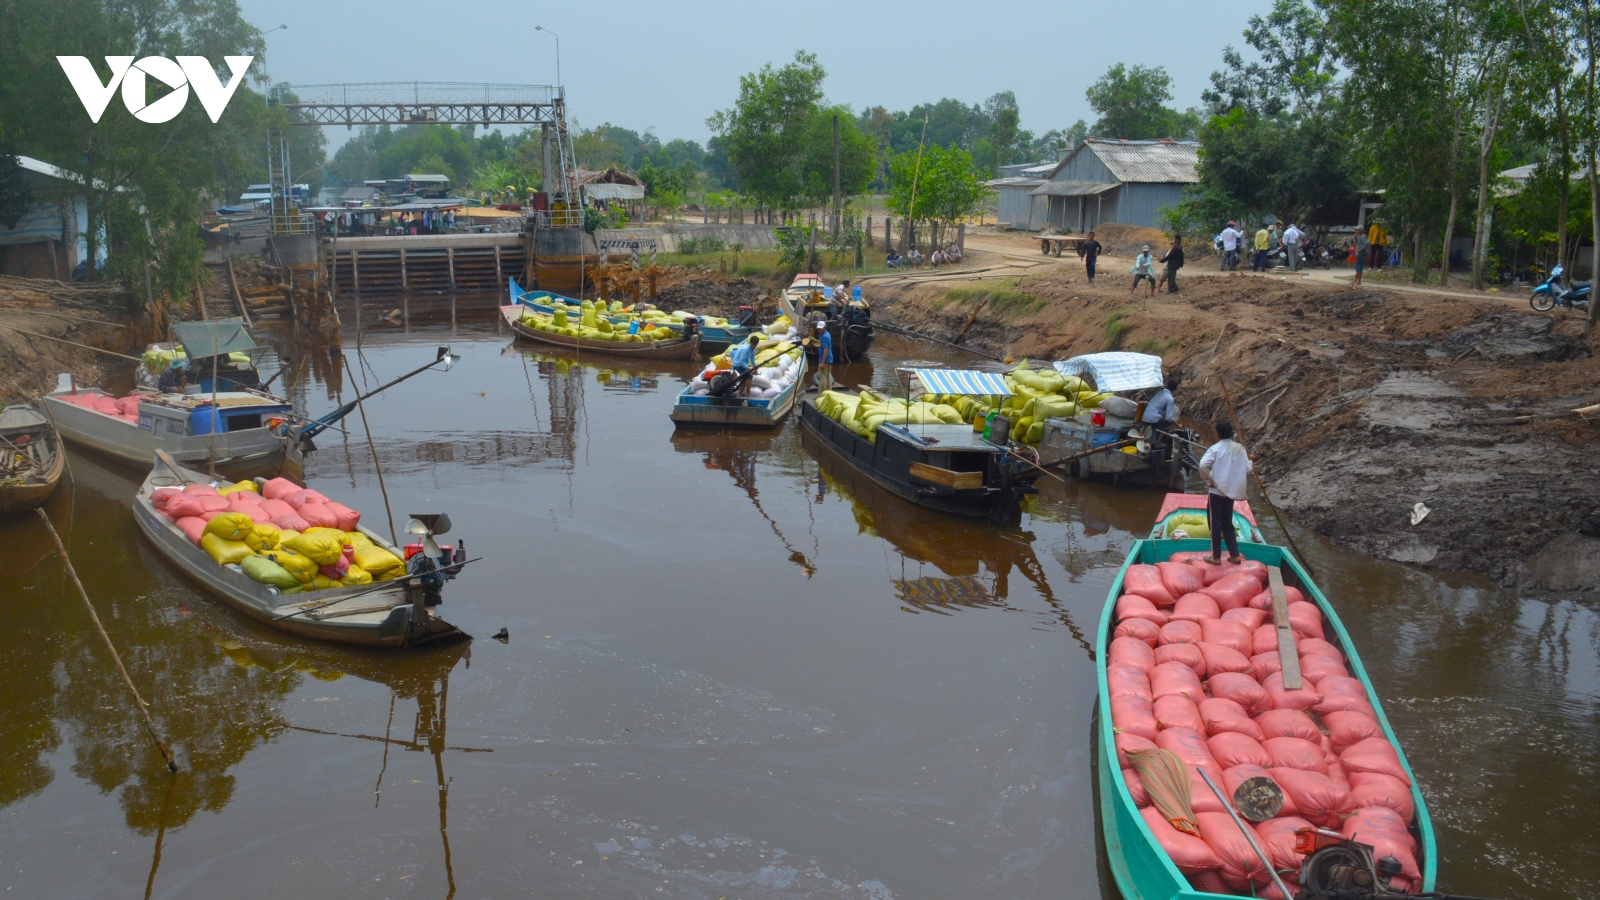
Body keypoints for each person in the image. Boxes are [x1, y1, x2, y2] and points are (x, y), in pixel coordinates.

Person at [1198, 419, 1253, 565]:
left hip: (1216, 492)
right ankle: (1235, 555)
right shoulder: (1240, 449)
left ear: (1217, 434)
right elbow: (1247, 469)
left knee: (1215, 524)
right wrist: (1251, 461)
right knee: (1227, 523)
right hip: (1231, 493)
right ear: (1231, 433)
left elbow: (1203, 465)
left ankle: (1215, 557)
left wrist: (1208, 481)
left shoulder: (1215, 449)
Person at [814, 320, 834, 393]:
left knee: (822, 377)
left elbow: (826, 349)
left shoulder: (824, 337)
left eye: (821, 328)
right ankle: (829, 393)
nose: (819, 330)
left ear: (825, 327)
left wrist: (822, 362)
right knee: (828, 376)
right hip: (829, 359)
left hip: (824, 359)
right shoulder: (826, 334)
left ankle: (821, 395)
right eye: (818, 328)